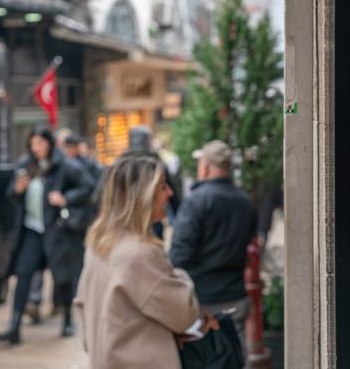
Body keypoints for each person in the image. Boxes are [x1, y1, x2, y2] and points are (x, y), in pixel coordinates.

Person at [75, 155, 206, 369]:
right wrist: (181, 276)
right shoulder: (140, 254)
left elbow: (82, 306)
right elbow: (184, 313)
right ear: (142, 195)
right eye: (163, 187)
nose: (170, 194)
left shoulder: (98, 245)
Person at [0, 126, 94, 345]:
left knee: (62, 276)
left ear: (49, 144)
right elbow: (10, 195)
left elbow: (88, 186)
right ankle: (14, 326)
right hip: (31, 230)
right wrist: (17, 190)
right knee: (23, 274)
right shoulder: (24, 165)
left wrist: (65, 197)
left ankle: (68, 320)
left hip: (57, 230)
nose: (36, 148)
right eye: (33, 144)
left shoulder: (64, 166)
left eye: (41, 143)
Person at [170, 140, 256, 357]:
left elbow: (179, 255)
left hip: (203, 302)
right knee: (235, 358)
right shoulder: (245, 201)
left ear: (206, 167)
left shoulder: (197, 201)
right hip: (235, 296)